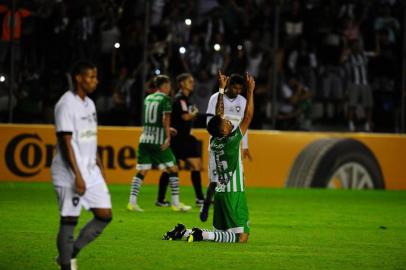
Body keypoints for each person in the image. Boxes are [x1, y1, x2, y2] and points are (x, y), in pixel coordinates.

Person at [162, 71, 255, 243]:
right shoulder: (233, 141)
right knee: (241, 237)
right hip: (233, 192)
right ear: (224, 131)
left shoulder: (215, 142)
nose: (229, 122)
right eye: (227, 123)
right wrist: (250, 91)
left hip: (220, 192)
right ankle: (200, 234)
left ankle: (184, 232)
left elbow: (218, 117)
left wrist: (221, 90)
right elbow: (248, 117)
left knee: (221, 232)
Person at [51, 61, 112, 270]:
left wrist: (99, 167)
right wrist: (77, 175)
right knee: (69, 219)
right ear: (78, 78)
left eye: (96, 77)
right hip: (69, 171)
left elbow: (90, 138)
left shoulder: (90, 104)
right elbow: (66, 142)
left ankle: (69, 254)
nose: (95, 81)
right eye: (91, 77)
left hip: (89, 170)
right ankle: (66, 266)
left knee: (105, 215)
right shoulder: (66, 104)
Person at [127, 75, 191, 212]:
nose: (169, 88)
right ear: (163, 86)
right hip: (158, 141)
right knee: (173, 169)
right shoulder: (166, 99)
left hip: (144, 139)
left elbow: (151, 119)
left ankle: (131, 203)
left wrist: (168, 128)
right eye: (168, 86)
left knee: (142, 171)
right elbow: (164, 118)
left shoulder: (148, 98)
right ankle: (176, 203)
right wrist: (168, 137)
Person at [200, 73, 252, 222]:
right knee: (215, 180)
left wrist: (245, 146)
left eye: (240, 89)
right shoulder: (215, 98)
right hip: (218, 144)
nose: (237, 91)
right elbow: (211, 122)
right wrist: (220, 135)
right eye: (235, 88)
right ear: (228, 85)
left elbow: (244, 125)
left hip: (234, 145)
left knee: (237, 178)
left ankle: (231, 207)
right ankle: (206, 204)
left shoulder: (242, 101)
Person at [155, 73, 205, 207]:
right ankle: (160, 199)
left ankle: (200, 198)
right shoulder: (180, 99)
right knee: (171, 169)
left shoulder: (186, 99)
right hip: (178, 139)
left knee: (195, 166)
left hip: (185, 138)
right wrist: (194, 113)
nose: (192, 83)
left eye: (192, 81)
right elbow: (185, 117)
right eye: (189, 81)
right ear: (182, 83)